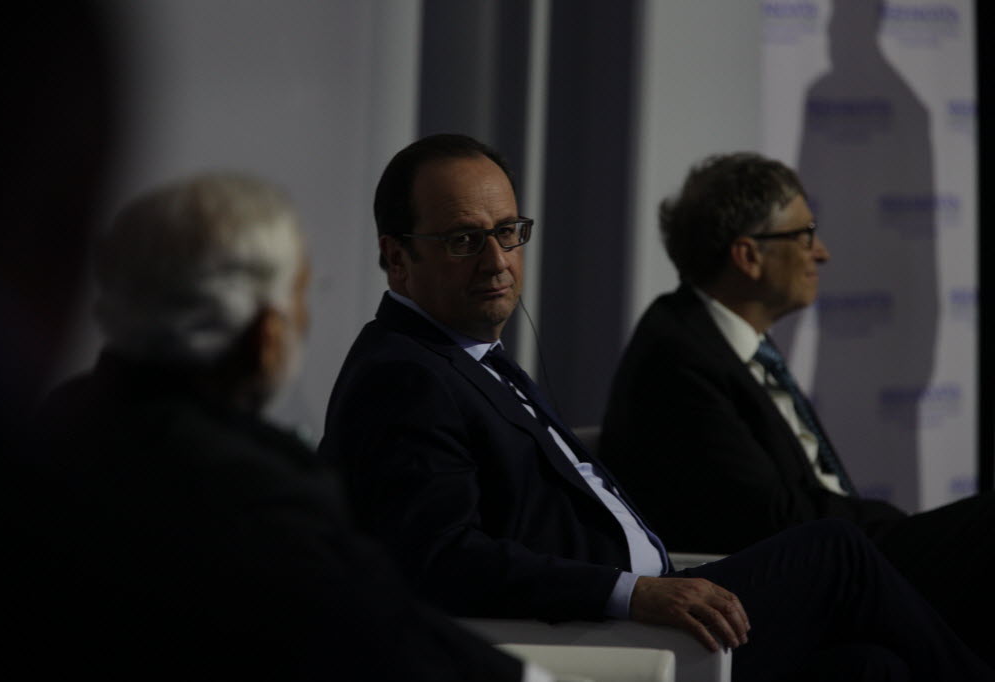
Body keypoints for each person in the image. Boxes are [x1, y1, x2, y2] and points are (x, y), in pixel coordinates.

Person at [321, 134, 993, 681]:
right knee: (837, 553)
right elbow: (439, 559)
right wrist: (631, 592)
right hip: (604, 638)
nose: (498, 260)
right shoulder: (403, 375)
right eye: (465, 240)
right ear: (396, 257)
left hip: (656, 608)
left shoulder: (467, 356)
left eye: (509, 232)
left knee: (871, 667)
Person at [29, 173, 526, 680]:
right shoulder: (259, 495)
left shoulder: (46, 429)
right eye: (302, 294)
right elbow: (379, 635)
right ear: (267, 335)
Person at [599, 151, 994, 666]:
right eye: (805, 235)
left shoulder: (728, 344)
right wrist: (891, 525)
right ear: (749, 256)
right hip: (783, 579)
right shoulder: (677, 356)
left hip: (837, 555)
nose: (821, 253)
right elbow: (768, 515)